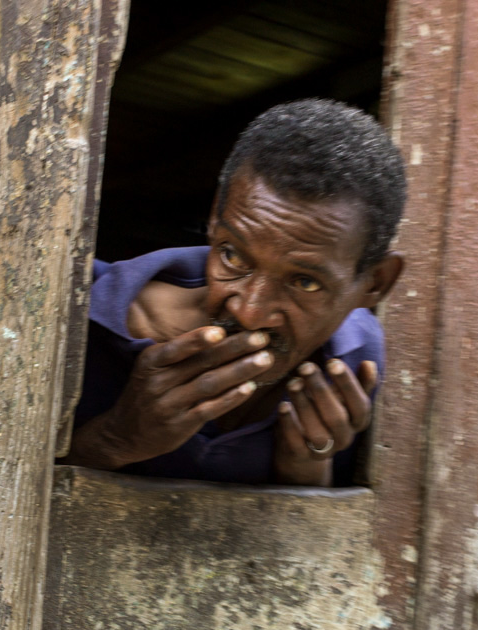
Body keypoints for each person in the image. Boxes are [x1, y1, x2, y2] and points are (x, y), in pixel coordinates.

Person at [67, 99, 406, 487]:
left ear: (375, 282)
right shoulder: (79, 317)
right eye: (233, 256)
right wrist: (116, 438)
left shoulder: (357, 369)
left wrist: (305, 468)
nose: (250, 312)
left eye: (305, 282)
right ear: (216, 216)